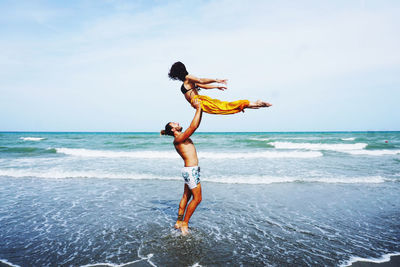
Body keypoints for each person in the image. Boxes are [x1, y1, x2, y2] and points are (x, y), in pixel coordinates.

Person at [160, 99, 203, 235]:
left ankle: (178, 222)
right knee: (197, 199)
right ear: (173, 129)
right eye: (174, 123)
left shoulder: (180, 137)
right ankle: (185, 223)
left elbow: (195, 125)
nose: (177, 123)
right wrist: (198, 109)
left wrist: (200, 109)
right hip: (191, 171)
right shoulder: (178, 138)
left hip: (189, 170)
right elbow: (193, 127)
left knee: (186, 196)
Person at [168, 61, 272, 115]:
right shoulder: (187, 80)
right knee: (224, 108)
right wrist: (216, 83)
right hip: (199, 103)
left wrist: (216, 83)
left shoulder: (188, 78)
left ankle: (255, 103)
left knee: (224, 107)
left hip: (200, 102)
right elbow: (202, 83)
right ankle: (256, 104)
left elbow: (201, 82)